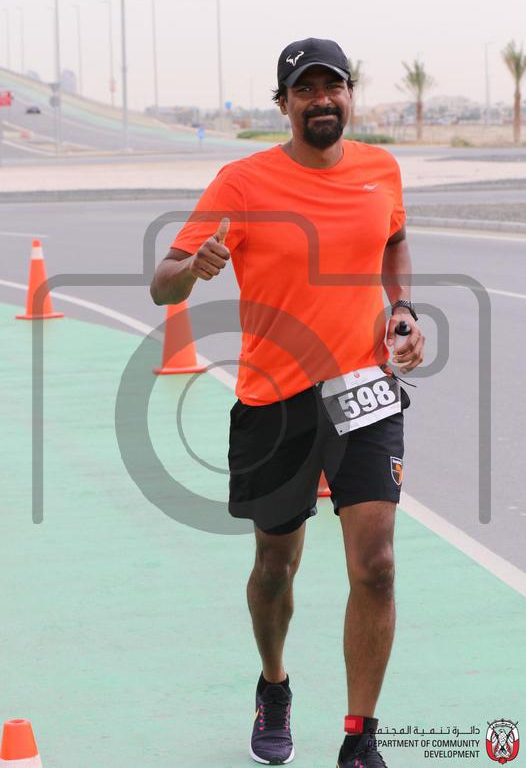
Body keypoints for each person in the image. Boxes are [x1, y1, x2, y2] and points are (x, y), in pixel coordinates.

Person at [150, 37, 425, 768]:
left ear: (350, 95)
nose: (322, 100)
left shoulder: (381, 169)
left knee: (377, 565)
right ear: (283, 104)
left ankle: (359, 738)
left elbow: (394, 240)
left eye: (333, 86)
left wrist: (402, 309)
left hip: (365, 390)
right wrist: (195, 265)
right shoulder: (241, 183)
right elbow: (162, 283)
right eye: (305, 89)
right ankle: (274, 685)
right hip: (275, 400)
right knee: (276, 565)